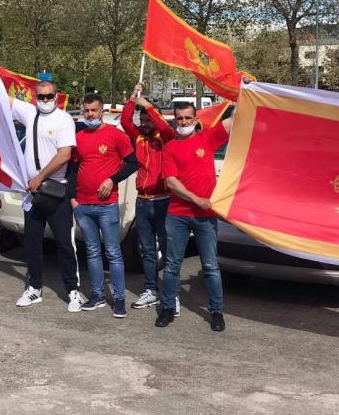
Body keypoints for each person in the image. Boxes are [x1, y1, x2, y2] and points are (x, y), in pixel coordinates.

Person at [6, 78, 85, 311]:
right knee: (32, 242)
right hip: (33, 193)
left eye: (50, 96)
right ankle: (34, 288)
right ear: (35, 97)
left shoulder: (63, 119)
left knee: (64, 243)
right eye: (41, 96)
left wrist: (39, 177)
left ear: (57, 96)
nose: (46, 100)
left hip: (55, 190)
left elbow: (64, 155)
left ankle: (73, 291)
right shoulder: (30, 113)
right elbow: (3, 98)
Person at [156, 103, 236, 332]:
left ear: (195, 119)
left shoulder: (207, 138)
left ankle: (216, 311)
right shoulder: (170, 148)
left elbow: (235, 120)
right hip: (178, 216)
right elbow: (171, 181)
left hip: (205, 216)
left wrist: (244, 94)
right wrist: (196, 199)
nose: (183, 122)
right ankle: (168, 308)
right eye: (179, 118)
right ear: (175, 120)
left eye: (187, 118)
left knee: (210, 266)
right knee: (172, 265)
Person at [71, 93, 137, 318]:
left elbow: (133, 162)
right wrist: (73, 199)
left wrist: (112, 180)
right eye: (87, 110)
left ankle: (118, 299)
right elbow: (73, 170)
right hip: (83, 205)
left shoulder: (115, 135)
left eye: (94, 110)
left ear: (102, 111)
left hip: (106, 205)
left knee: (113, 253)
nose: (90, 114)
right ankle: (98, 295)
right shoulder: (79, 137)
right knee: (91, 252)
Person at [120, 83, 177, 310]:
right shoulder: (138, 138)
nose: (144, 124)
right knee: (148, 250)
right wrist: (133, 98)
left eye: (148, 120)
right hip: (142, 202)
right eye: (142, 120)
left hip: (163, 201)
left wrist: (149, 106)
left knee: (168, 250)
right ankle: (150, 290)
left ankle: (171, 293)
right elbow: (125, 121)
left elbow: (165, 127)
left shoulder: (166, 137)